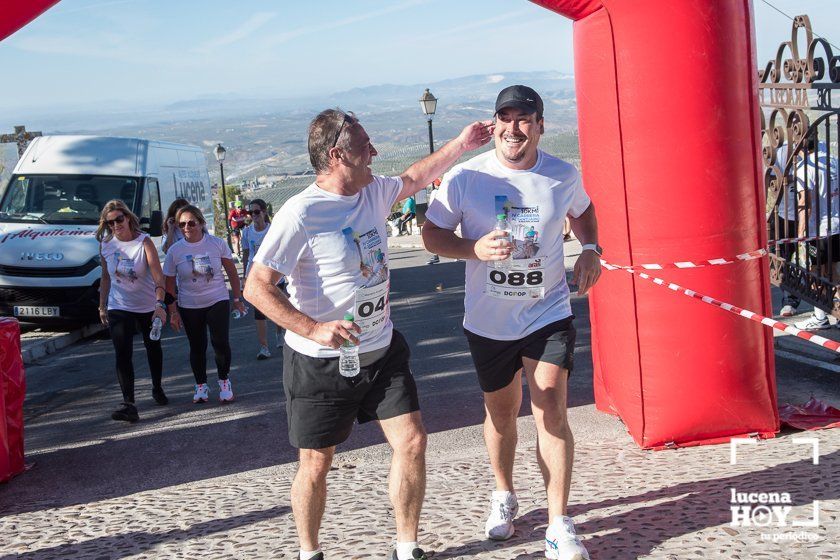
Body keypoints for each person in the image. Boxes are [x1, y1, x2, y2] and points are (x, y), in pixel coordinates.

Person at [244, 109, 492, 560]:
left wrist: (462, 143)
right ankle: (308, 551)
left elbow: (416, 177)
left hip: (380, 350)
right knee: (316, 464)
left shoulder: (373, 192)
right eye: (365, 147)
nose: (374, 153)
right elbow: (256, 287)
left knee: (413, 439)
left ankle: (406, 545)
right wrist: (313, 328)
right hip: (319, 363)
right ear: (338, 155)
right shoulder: (301, 213)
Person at [422, 85, 601, 560]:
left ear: (540, 126)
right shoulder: (465, 178)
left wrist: (590, 250)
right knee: (502, 416)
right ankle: (504, 493)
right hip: (488, 321)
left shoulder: (562, 175)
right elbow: (432, 234)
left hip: (547, 312)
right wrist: (472, 249)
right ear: (494, 123)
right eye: (506, 117)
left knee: (550, 408)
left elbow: (584, 214)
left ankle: (560, 524)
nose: (514, 128)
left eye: (525, 119)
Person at [163, 204, 247, 403]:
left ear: (201, 223)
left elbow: (232, 274)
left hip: (216, 299)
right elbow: (168, 285)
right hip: (189, 304)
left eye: (191, 223)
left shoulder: (216, 244)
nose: (186, 227)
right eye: (181, 224)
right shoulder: (175, 251)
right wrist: (172, 312)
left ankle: (224, 381)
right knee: (197, 346)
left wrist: (236, 299)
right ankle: (200, 385)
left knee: (220, 343)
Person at [97, 199, 169, 422]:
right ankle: (129, 403)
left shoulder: (143, 242)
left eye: (119, 219)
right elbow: (106, 277)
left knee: (153, 348)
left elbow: (158, 276)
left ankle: (157, 387)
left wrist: (160, 304)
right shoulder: (106, 245)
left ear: (127, 218)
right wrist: (102, 304)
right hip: (119, 305)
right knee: (122, 353)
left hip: (147, 305)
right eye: (110, 222)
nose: (116, 224)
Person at [792, 137, 840, 330]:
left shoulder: (806, 167)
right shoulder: (833, 160)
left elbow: (806, 204)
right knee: (836, 273)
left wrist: (800, 234)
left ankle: (820, 316)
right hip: (837, 225)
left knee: (815, 273)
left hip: (818, 230)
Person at [241, 198, 281, 359]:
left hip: (276, 274)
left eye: (257, 212)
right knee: (259, 313)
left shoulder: (273, 230)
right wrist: (245, 276)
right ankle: (264, 347)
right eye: (251, 213)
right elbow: (246, 254)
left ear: (264, 212)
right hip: (256, 275)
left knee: (278, 307)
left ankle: (279, 333)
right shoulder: (247, 232)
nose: (253, 215)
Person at [426, 179, 442, 265]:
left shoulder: (434, 192)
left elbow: (431, 204)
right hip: (443, 215)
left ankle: (435, 256)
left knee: (433, 235)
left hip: (436, 216)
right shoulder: (443, 191)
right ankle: (457, 256)